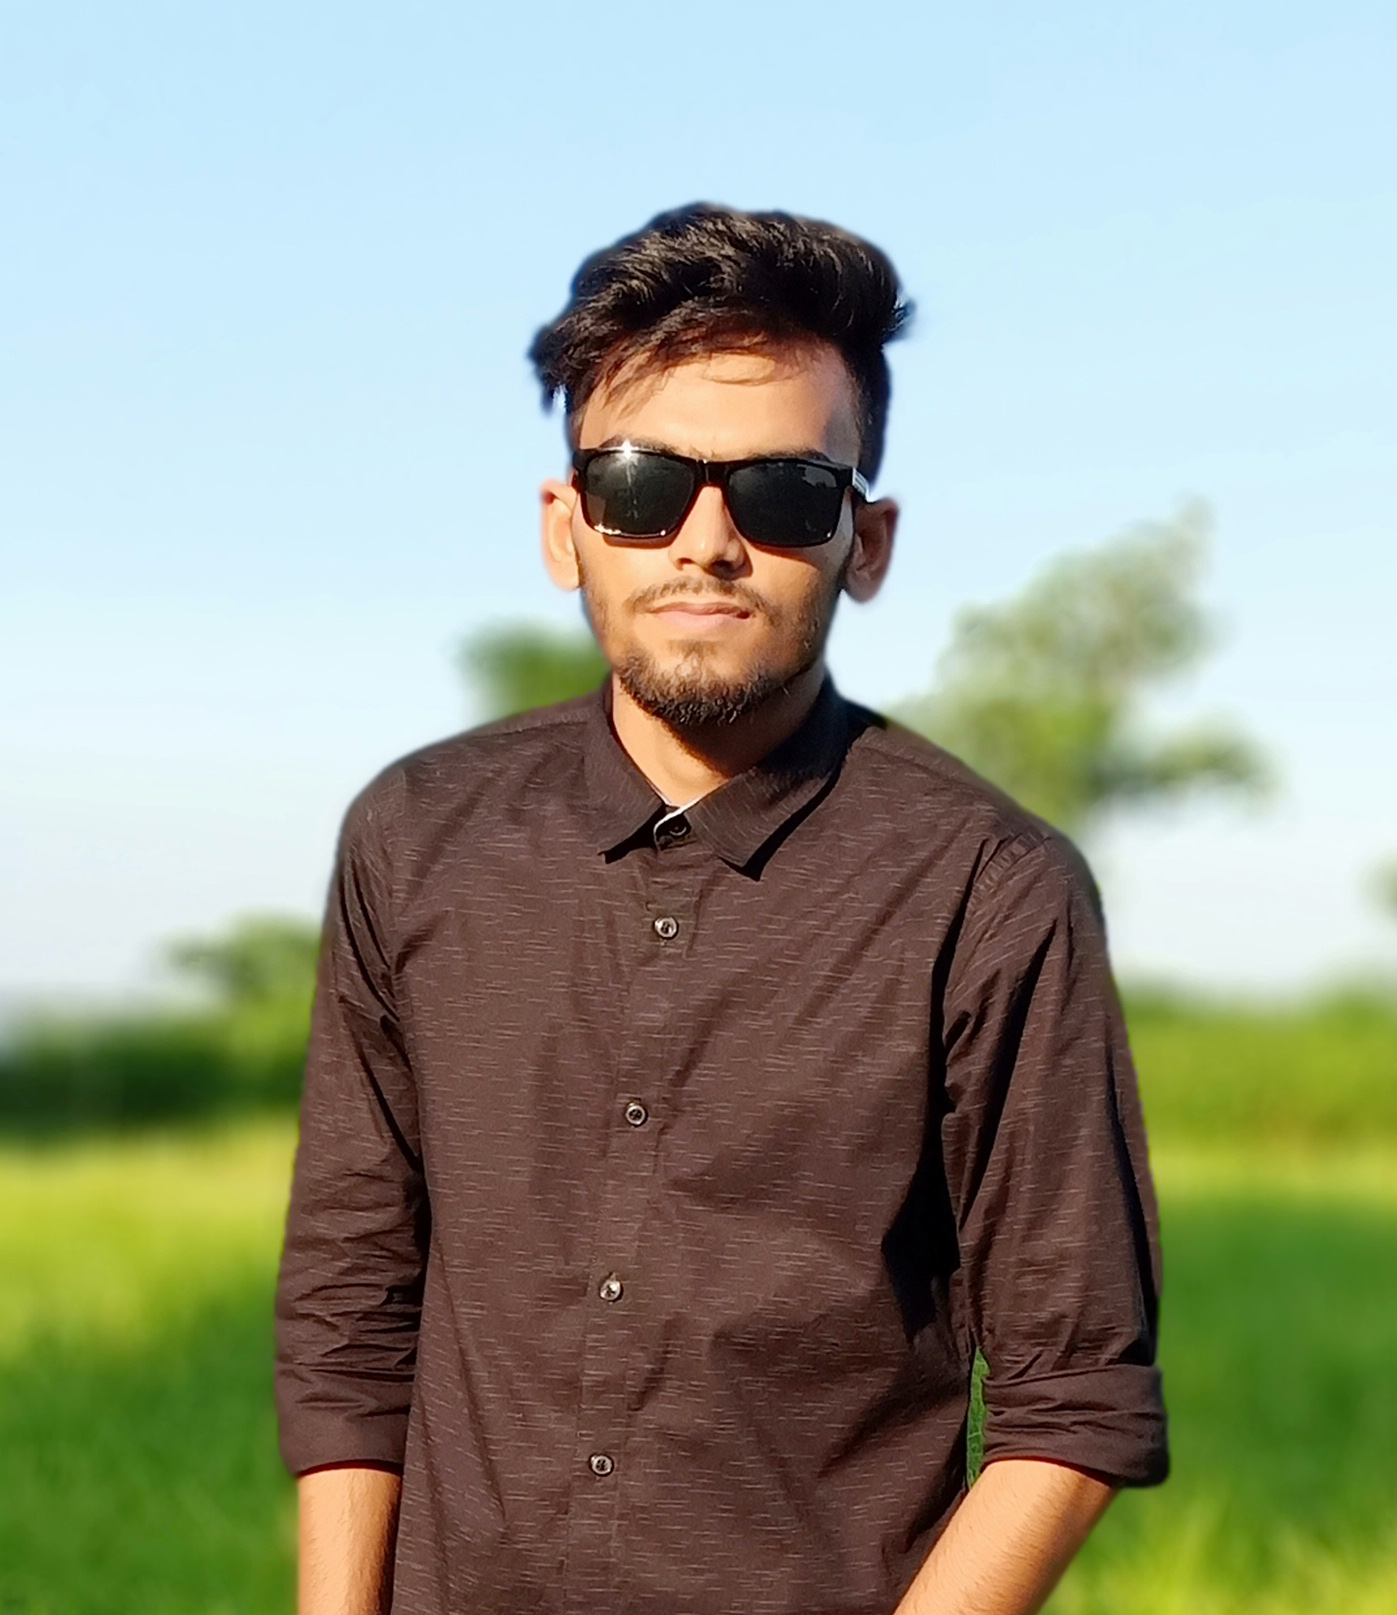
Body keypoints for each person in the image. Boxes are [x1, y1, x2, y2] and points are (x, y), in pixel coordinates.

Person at [274, 202, 1168, 1615]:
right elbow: (351, 1310)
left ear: (865, 540)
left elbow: (1076, 1394)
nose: (705, 543)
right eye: (642, 485)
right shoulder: (417, 840)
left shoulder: (991, 891)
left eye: (783, 494)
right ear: (566, 527)